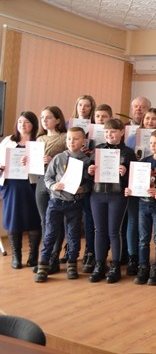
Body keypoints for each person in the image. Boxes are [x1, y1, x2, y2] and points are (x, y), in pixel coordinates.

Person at [35, 127, 91, 282]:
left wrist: (83, 189)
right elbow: (48, 177)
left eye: (76, 139)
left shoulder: (87, 161)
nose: (72, 142)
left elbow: (90, 183)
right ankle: (43, 265)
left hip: (75, 204)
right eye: (69, 139)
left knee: (73, 235)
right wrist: (53, 186)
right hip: (56, 203)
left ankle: (72, 263)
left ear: (83, 141)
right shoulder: (58, 158)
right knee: (50, 234)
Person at [87, 118, 137, 284]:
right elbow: (89, 172)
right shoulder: (98, 149)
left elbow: (135, 177)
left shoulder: (128, 152)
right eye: (107, 132)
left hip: (117, 195)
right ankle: (99, 265)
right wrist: (90, 170)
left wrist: (126, 172)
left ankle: (115, 266)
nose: (109, 134)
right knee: (99, 230)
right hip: (97, 194)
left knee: (114, 231)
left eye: (113, 131)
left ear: (122, 132)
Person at [125, 129, 156, 286]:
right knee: (143, 238)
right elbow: (136, 182)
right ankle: (143, 267)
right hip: (143, 204)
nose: (153, 146)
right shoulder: (144, 162)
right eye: (151, 143)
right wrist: (130, 190)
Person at [126, 107, 156, 276]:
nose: (150, 121)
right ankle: (134, 258)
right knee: (134, 223)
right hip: (137, 185)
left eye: (153, 119)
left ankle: (154, 264)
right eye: (147, 118)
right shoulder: (133, 137)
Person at [1, 111, 41, 270]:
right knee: (13, 219)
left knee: (34, 218)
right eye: (20, 122)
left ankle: (33, 256)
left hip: (32, 184)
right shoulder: (8, 141)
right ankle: (16, 257)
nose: (22, 125)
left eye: (26, 122)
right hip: (12, 185)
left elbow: (43, 167)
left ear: (33, 124)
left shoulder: (39, 141)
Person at [34, 107, 67, 274]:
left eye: (48, 117)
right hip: (41, 181)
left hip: (57, 182)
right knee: (44, 220)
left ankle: (54, 257)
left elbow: (70, 159)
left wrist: (53, 159)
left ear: (58, 120)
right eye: (42, 117)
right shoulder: (39, 139)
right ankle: (45, 257)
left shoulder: (64, 137)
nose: (44, 120)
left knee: (56, 219)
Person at [82, 104, 113, 274]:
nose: (100, 119)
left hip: (110, 189)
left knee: (107, 225)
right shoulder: (87, 136)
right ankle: (91, 252)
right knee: (90, 221)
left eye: (104, 116)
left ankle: (103, 255)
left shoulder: (113, 138)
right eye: (98, 116)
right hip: (92, 186)